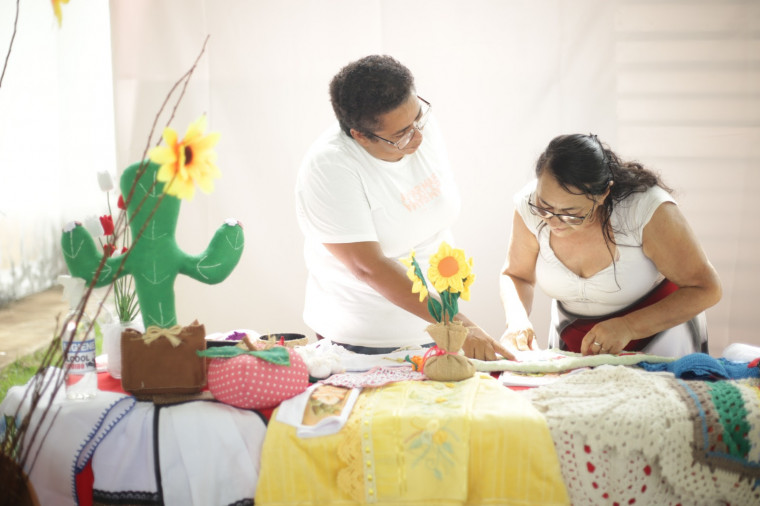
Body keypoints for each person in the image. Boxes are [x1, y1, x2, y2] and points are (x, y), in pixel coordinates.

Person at [296, 54, 510, 360]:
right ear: (360, 136)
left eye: (418, 118)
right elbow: (368, 267)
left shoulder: (415, 126)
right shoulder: (329, 168)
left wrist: (450, 320)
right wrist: (457, 324)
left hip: (437, 324)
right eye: (401, 135)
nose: (418, 136)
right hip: (363, 338)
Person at [499, 133, 721, 357]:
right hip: (573, 341)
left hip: (660, 338)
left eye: (572, 213)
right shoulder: (529, 206)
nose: (553, 221)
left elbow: (706, 289)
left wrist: (629, 326)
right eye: (544, 206)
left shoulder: (644, 208)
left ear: (603, 194)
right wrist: (517, 320)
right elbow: (517, 275)